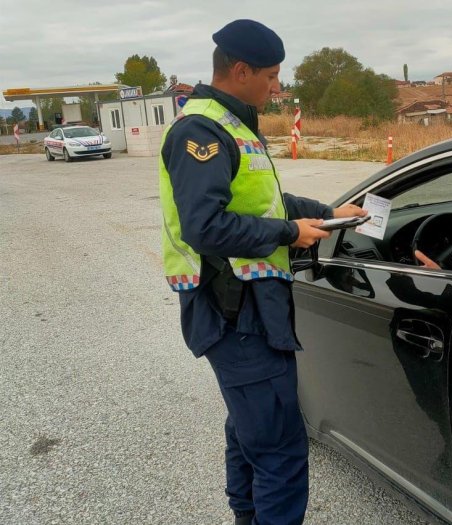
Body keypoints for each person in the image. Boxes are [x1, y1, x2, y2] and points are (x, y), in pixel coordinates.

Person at [158, 19, 365, 525]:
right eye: (271, 77)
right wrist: (289, 234)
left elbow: (268, 203)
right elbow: (205, 226)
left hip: (250, 305)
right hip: (232, 309)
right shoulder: (201, 131)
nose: (277, 88)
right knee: (279, 449)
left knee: (250, 431)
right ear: (241, 69)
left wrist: (335, 212)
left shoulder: (231, 122)